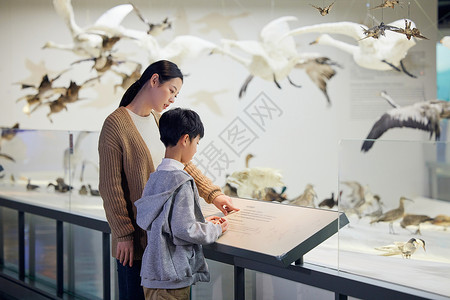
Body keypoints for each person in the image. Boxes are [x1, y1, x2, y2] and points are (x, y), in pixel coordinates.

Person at [98, 60, 238, 300]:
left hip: (164, 246)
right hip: (135, 244)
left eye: (176, 94)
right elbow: (110, 188)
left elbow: (180, 165)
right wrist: (123, 234)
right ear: (154, 81)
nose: (173, 99)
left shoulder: (157, 119)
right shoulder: (116, 124)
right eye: (171, 91)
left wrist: (214, 194)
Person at [135, 107, 229, 299]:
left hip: (152, 275)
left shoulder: (155, 178)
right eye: (197, 142)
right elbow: (184, 230)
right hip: (172, 279)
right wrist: (215, 229)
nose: (195, 149)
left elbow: (167, 222)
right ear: (186, 139)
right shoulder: (182, 182)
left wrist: (202, 222)